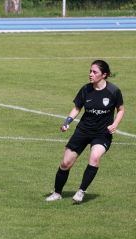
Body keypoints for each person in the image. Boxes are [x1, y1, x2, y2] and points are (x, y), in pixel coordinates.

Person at [46, 60, 125, 204]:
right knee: (65, 163)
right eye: (90, 71)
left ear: (104, 75)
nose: (90, 74)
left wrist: (115, 124)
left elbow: (121, 109)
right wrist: (67, 122)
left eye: (95, 72)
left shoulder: (114, 91)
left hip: (102, 133)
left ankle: (81, 191)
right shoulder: (86, 90)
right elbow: (77, 108)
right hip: (83, 130)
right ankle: (57, 193)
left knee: (95, 158)